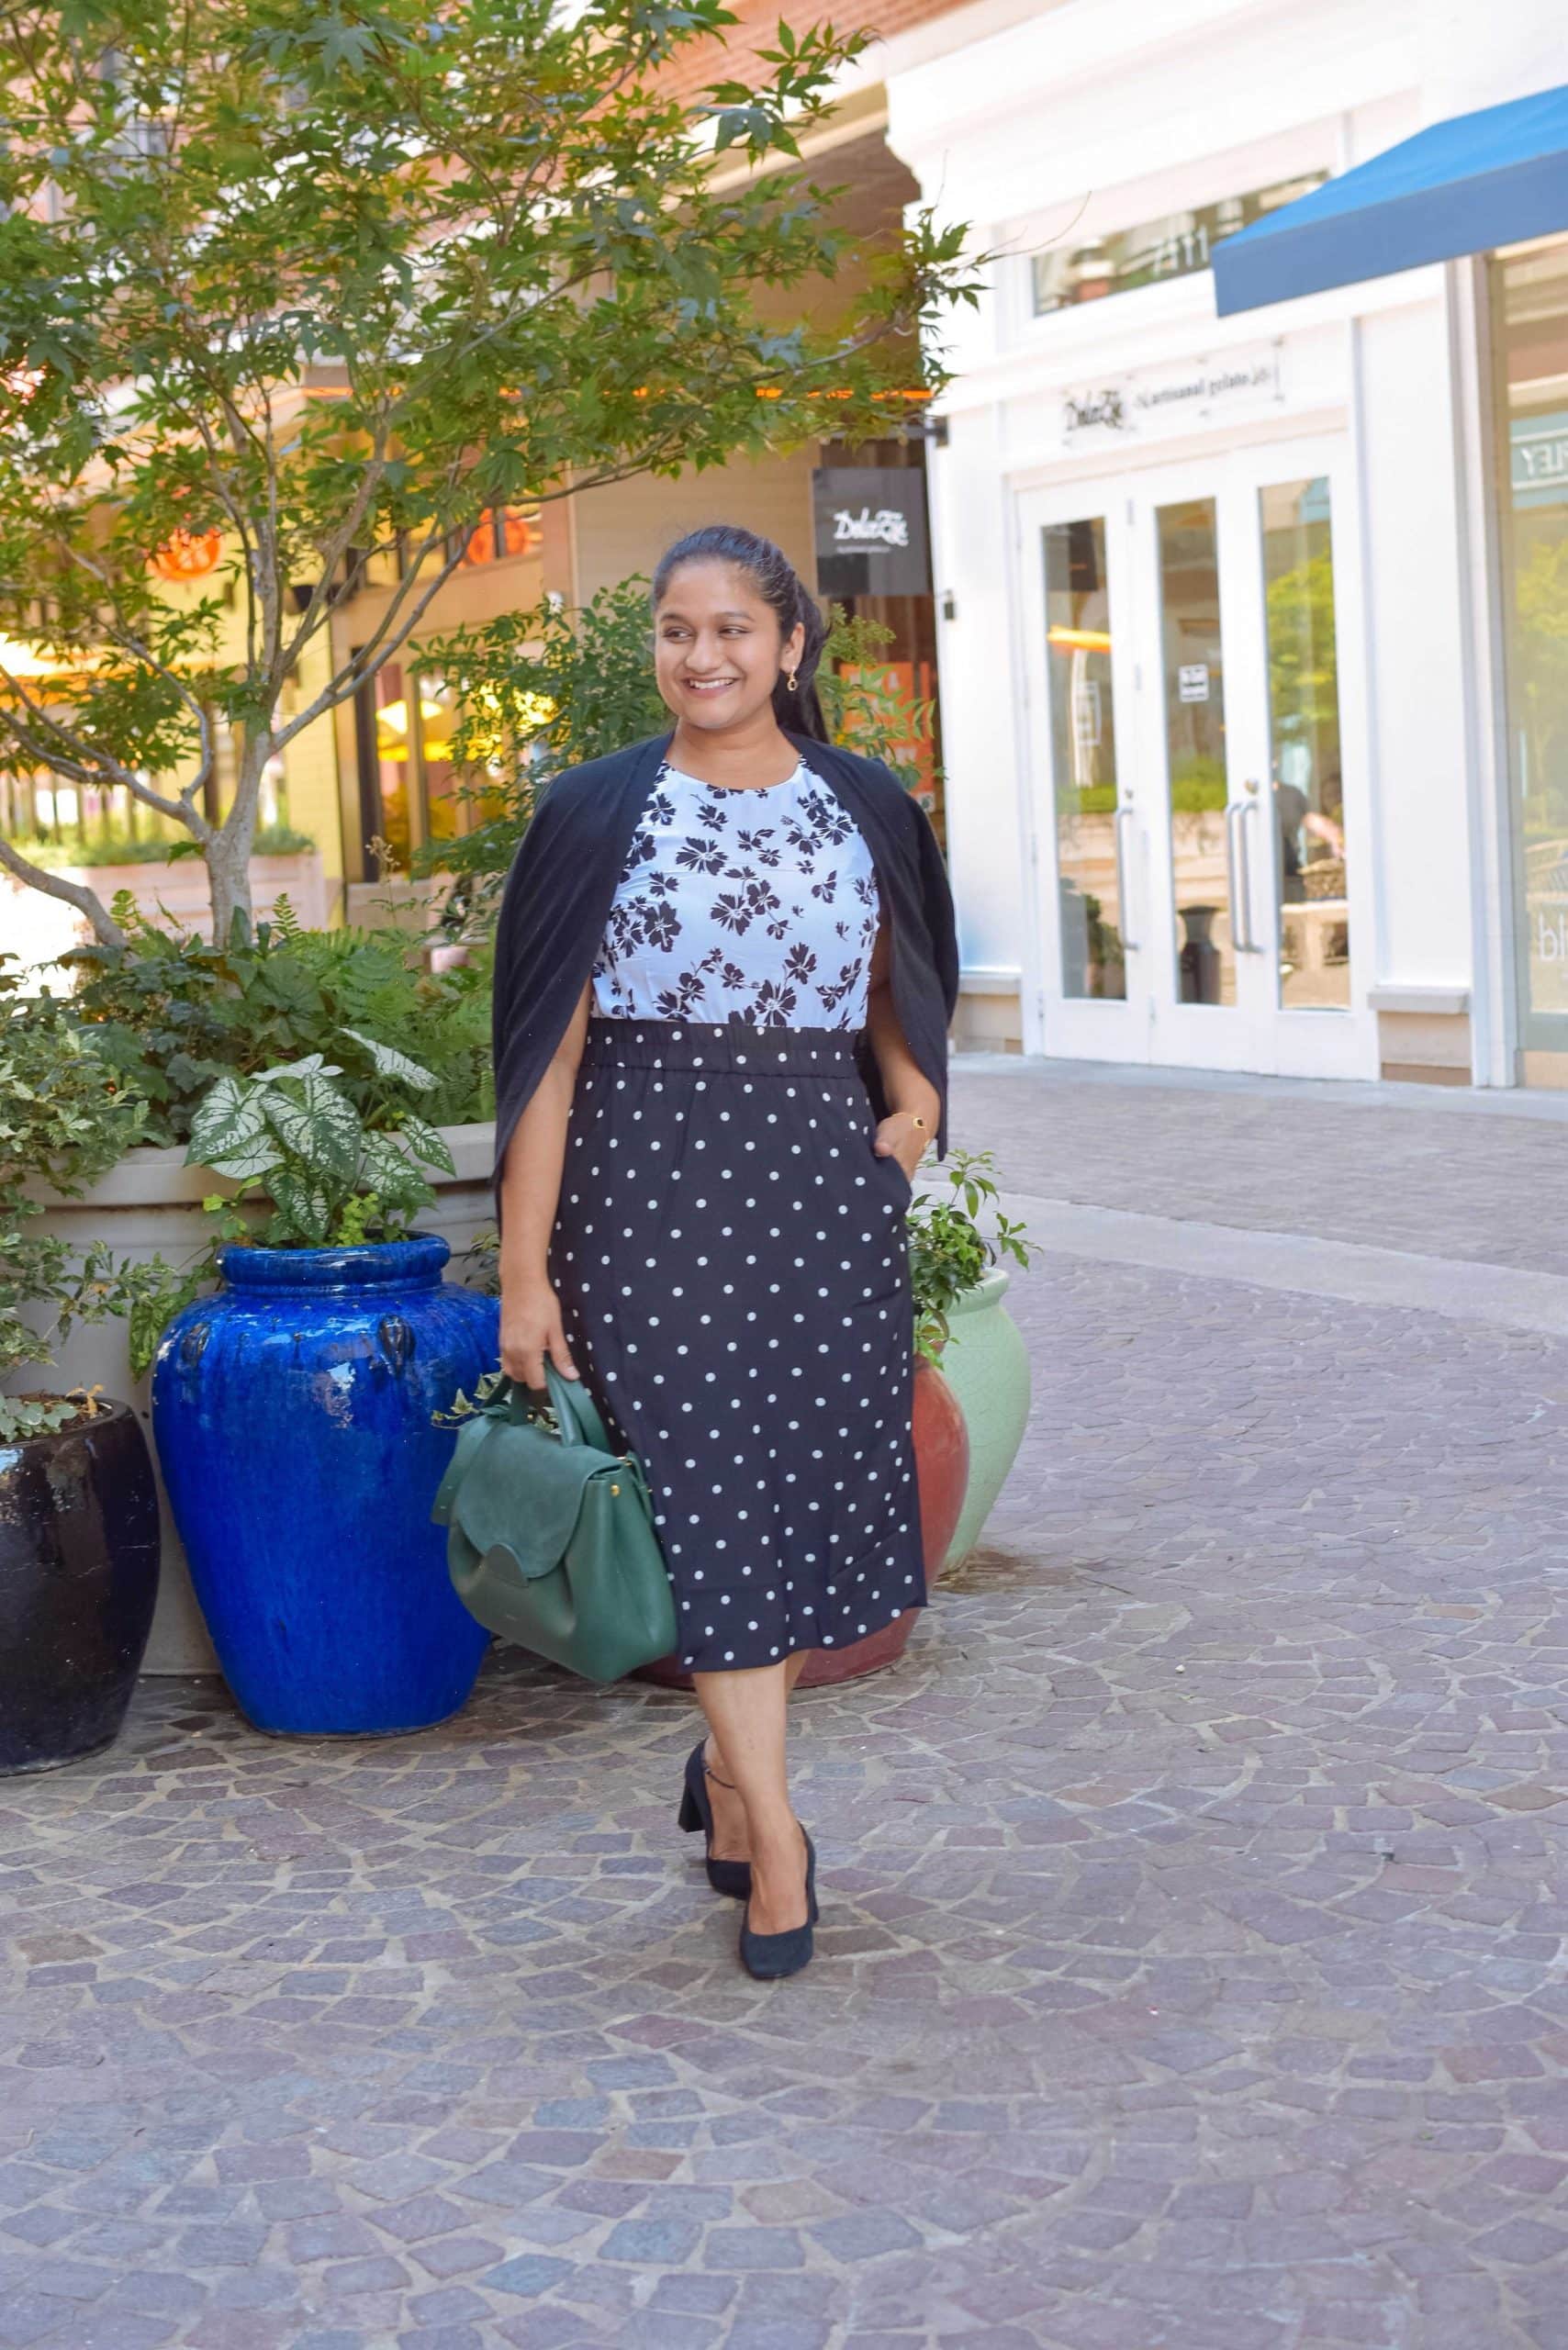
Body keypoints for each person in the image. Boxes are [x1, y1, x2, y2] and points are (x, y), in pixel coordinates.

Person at [489, 523, 958, 1980]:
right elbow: (541, 1063)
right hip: (643, 1184)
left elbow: (899, 983)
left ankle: (729, 1775)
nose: (703, 657)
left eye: (732, 631)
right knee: (701, 1495)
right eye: (678, 631)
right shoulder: (593, 813)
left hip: (820, 1185)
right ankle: (781, 1840)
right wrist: (523, 1275)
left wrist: (916, 1097)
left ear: (790, 647)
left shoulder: (864, 802)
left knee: (798, 1492)